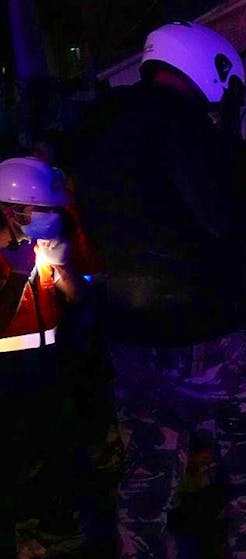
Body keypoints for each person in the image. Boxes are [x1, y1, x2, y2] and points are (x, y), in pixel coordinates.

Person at [70, 22, 246, 557]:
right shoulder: (183, 123)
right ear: (210, 68)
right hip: (200, 330)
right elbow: (227, 220)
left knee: (150, 466)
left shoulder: (99, 125)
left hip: (127, 329)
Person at [0, 156, 83, 557]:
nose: (51, 218)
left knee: (52, 451)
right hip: (5, 377)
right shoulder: (9, 258)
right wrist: (18, 275)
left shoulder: (38, 247)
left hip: (46, 368)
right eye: (41, 210)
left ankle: (50, 524)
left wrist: (63, 269)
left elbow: (76, 301)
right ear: (10, 209)